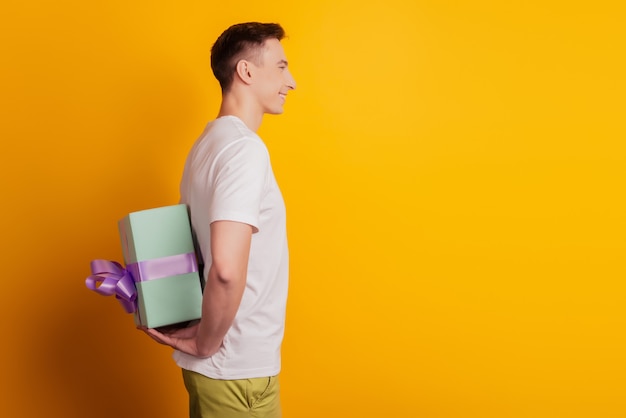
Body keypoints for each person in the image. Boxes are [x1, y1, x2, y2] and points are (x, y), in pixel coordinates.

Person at [140, 22, 296, 418]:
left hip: (222, 373)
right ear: (246, 72)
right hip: (237, 373)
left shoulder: (206, 146)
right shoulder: (244, 151)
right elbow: (225, 269)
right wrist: (207, 343)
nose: (290, 81)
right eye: (281, 66)